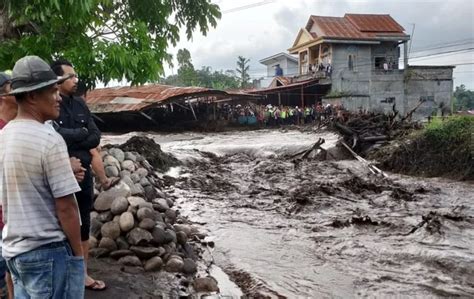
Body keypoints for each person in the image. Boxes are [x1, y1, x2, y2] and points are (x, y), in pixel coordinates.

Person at [0, 56, 84, 298]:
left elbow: (5, 202)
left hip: (15, 253)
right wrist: (78, 257)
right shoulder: (49, 139)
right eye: (53, 91)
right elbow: (66, 207)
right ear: (32, 96)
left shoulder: (4, 136)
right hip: (48, 254)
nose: (59, 97)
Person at [50, 59, 104, 291]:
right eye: (70, 77)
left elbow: (95, 136)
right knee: (59, 223)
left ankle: (82, 274)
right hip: (60, 172)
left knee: (84, 223)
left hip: (84, 173)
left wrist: (74, 136)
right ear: (57, 80)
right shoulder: (51, 104)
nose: (75, 80)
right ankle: (60, 275)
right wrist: (80, 135)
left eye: (75, 76)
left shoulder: (81, 105)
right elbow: (54, 136)